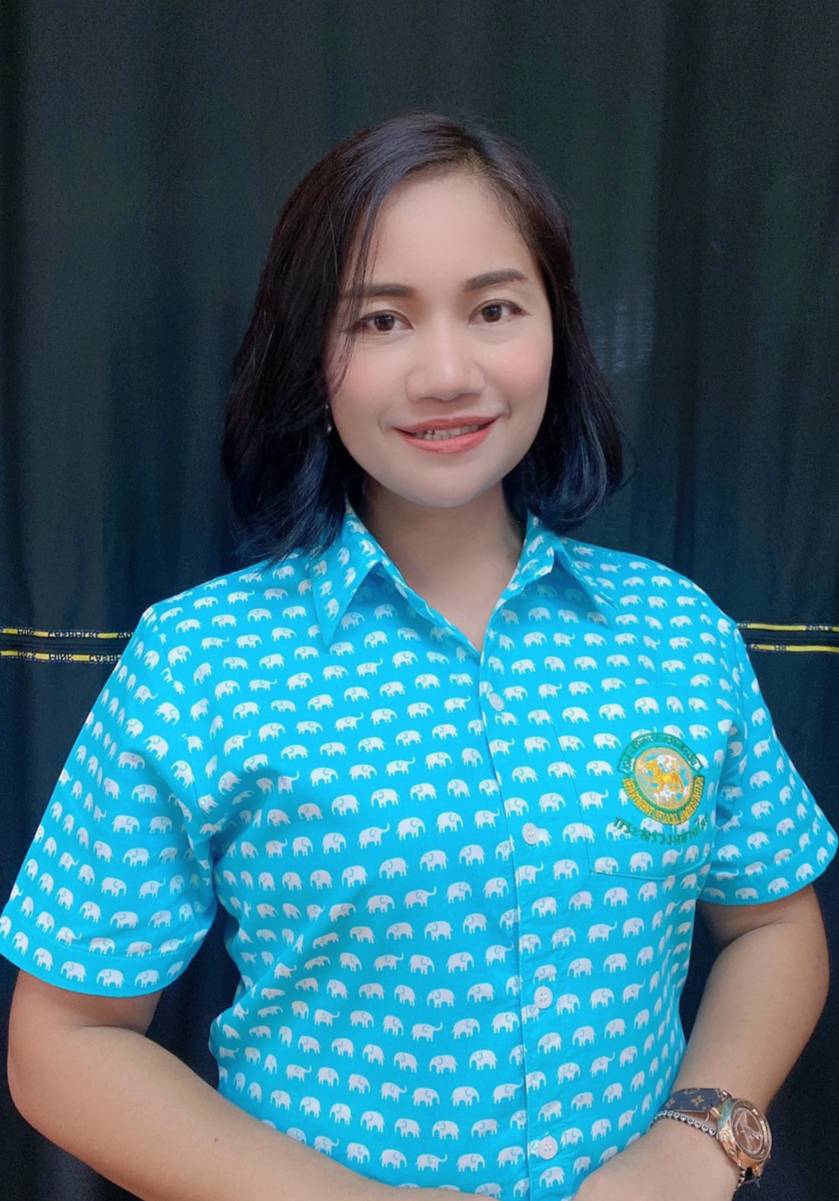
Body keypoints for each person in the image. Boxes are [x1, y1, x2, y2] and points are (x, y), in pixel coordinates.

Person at [2, 109, 835, 1201]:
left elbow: (773, 922)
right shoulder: (200, 662)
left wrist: (697, 1137)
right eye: (380, 319)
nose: (446, 372)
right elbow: (60, 1040)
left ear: (556, 327)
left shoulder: (676, 632)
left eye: (493, 308)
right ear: (310, 352)